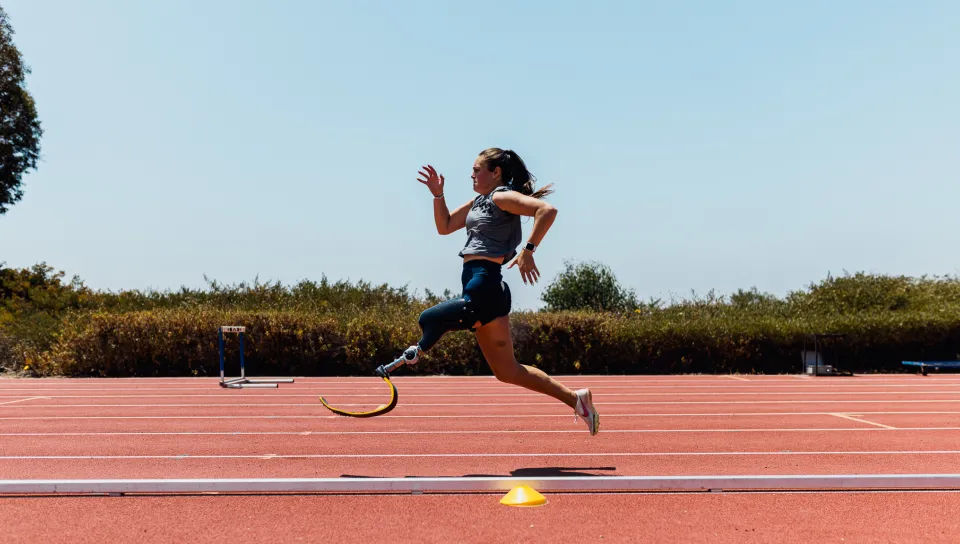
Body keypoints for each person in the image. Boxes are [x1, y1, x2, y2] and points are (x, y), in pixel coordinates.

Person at [392, 147, 599, 435]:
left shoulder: (500, 196)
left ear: (496, 172)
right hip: (484, 289)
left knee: (430, 319)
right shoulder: (479, 201)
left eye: (477, 170)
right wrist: (438, 195)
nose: (471, 175)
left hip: (484, 285)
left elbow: (546, 210)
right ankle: (576, 399)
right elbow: (445, 226)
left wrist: (528, 250)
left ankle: (414, 352)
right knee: (507, 371)